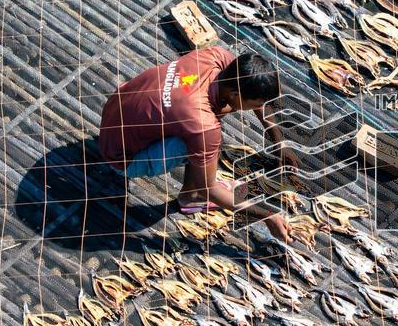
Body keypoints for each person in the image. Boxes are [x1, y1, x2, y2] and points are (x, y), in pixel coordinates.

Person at [98, 47, 296, 242]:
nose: (259, 108)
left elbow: (257, 97)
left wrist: (279, 143)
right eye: (256, 104)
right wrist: (267, 216)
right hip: (122, 158)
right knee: (206, 139)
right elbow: (208, 189)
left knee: (208, 126)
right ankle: (190, 198)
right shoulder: (203, 124)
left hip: (115, 112)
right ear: (235, 94)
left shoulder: (216, 56)